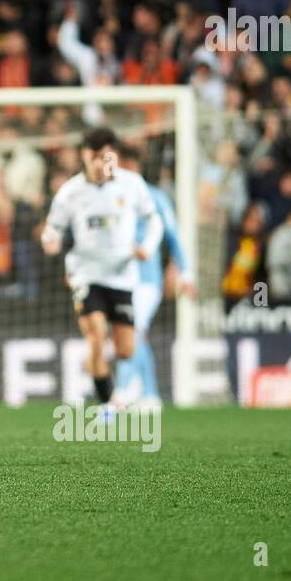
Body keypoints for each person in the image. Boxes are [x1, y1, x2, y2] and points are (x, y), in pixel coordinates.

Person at [41, 127, 162, 410]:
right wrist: (51, 241)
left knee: (125, 349)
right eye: (94, 156)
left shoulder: (132, 184)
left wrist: (147, 247)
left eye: (105, 156)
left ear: (114, 156)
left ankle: (117, 397)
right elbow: (53, 228)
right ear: (83, 156)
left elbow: (153, 220)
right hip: (86, 274)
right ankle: (108, 403)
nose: (99, 163)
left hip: (122, 276)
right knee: (95, 336)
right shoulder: (70, 192)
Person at [115, 146, 194, 406]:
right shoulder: (112, 197)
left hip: (147, 281)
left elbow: (174, 237)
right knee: (133, 334)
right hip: (119, 278)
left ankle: (122, 392)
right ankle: (149, 395)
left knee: (133, 330)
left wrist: (186, 273)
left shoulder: (156, 197)